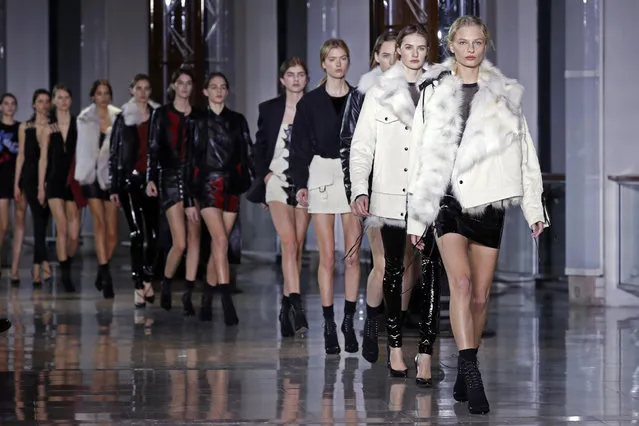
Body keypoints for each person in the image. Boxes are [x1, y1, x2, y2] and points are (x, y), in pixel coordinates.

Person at [407, 15, 549, 414]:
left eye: (477, 42)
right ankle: (470, 371)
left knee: (482, 294)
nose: (470, 49)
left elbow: (524, 151)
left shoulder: (503, 93)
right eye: (463, 42)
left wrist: (533, 208)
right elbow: (419, 154)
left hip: (489, 200)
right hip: (446, 199)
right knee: (463, 284)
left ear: (485, 46)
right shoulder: (433, 91)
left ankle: (464, 362)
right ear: (451, 45)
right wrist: (417, 218)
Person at [350, 24, 442, 386]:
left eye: (421, 47)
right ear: (399, 51)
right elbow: (362, 146)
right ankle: (394, 347)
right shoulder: (378, 92)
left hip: (429, 196)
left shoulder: (439, 91)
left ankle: (426, 353)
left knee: (433, 271)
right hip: (389, 195)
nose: (415, 53)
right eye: (408, 47)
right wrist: (360, 189)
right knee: (392, 269)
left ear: (427, 51)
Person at [290, 39, 361, 355]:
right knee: (328, 256)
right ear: (323, 63)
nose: (338, 64)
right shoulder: (309, 103)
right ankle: (329, 323)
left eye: (343, 58)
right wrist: (299, 183)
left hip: (350, 174)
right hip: (319, 173)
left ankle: (348, 320)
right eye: (332, 59)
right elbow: (299, 146)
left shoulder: (360, 99)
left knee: (353, 255)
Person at [246, 57, 311, 337]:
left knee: (296, 245)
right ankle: (296, 302)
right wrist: (266, 176)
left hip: (305, 182)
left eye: (300, 75)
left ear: (306, 79)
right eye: (290, 75)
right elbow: (258, 147)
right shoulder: (269, 109)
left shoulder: (314, 107)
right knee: (287, 241)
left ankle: (286, 306)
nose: (296, 79)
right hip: (276, 180)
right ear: (282, 80)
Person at [196, 72, 252, 324]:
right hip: (207, 186)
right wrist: (188, 198)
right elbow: (189, 160)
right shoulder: (196, 121)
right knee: (220, 240)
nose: (219, 91)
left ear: (227, 91)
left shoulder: (238, 120)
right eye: (213, 87)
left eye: (223, 87)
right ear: (205, 91)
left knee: (219, 244)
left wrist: (254, 183)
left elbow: (247, 152)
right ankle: (226, 301)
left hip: (231, 186)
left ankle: (206, 301)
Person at [146, 67, 203, 313]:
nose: (184, 87)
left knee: (194, 238)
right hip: (169, 179)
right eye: (180, 83)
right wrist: (150, 178)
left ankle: (188, 294)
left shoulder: (199, 116)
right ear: (173, 86)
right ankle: (167, 283)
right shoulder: (161, 114)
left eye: (188, 83)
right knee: (179, 242)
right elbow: (153, 149)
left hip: (195, 179)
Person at [110, 74, 161, 308]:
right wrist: (114, 185)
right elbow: (114, 152)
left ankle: (147, 277)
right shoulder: (122, 118)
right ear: (131, 90)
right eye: (138, 88)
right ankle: (138, 284)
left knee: (153, 237)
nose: (142, 92)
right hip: (128, 182)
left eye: (146, 88)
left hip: (152, 182)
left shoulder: (157, 116)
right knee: (136, 234)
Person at [75, 80, 121, 299]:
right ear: (93, 96)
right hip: (91, 175)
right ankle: (107, 276)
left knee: (113, 233)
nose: (103, 97)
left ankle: (101, 271)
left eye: (106, 93)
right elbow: (82, 150)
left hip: (111, 177)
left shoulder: (119, 117)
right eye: (99, 93)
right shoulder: (84, 118)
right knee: (100, 224)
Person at [44, 84, 82, 293]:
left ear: (71, 100)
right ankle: (66, 276)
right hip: (54, 180)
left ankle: (66, 264)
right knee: (63, 228)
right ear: (54, 101)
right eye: (60, 97)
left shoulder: (79, 123)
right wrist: (42, 184)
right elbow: (41, 158)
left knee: (74, 233)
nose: (64, 101)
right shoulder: (48, 125)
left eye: (67, 97)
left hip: (74, 180)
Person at [15, 89, 53, 287]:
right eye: (40, 101)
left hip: (49, 177)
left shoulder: (53, 127)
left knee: (42, 222)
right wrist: (16, 183)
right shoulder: (25, 127)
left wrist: (45, 184)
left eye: (47, 101)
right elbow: (20, 156)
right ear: (33, 105)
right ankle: (43, 263)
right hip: (29, 178)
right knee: (38, 219)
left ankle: (37, 267)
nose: (44, 105)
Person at [0, 93, 26, 286]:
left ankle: (15, 269)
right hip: (1, 179)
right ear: (1, 107)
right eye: (6, 104)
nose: (9, 107)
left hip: (19, 178)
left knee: (19, 221)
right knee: (3, 226)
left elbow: (24, 154)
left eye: (12, 104)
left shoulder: (21, 128)